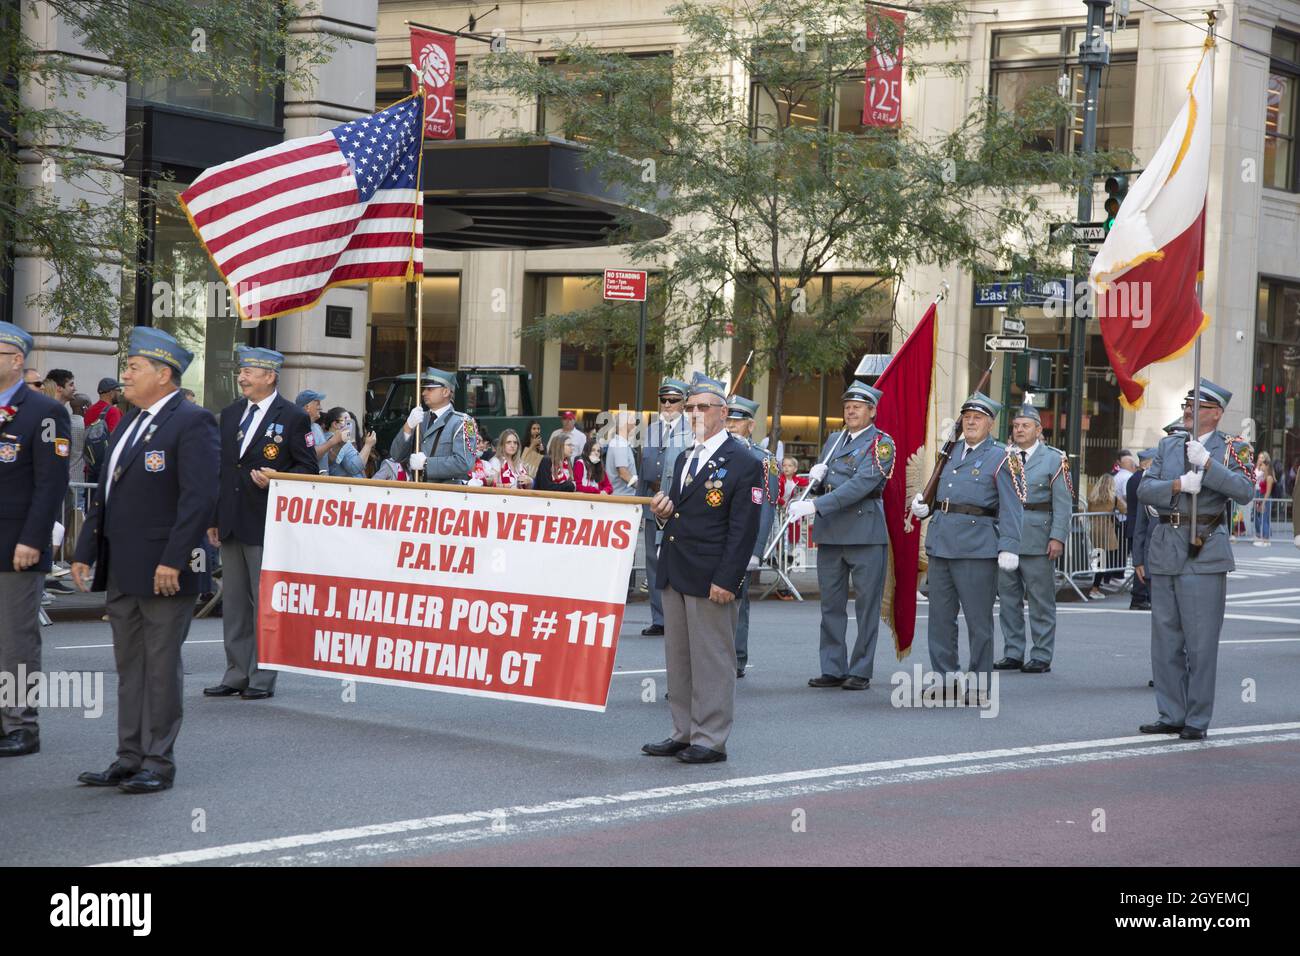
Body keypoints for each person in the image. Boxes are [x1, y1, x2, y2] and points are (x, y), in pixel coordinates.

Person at [70, 328, 219, 792]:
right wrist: (85, 550)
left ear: (164, 374)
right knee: (130, 666)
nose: (125, 375)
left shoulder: (192, 420)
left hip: (165, 570)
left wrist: (175, 559)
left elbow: (198, 497)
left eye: (134, 367)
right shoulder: (130, 421)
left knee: (159, 665)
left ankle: (158, 760)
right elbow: (108, 494)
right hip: (123, 565)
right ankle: (128, 756)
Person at [643, 373, 763, 763]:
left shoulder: (744, 461)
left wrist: (728, 578)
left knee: (712, 660)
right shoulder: (683, 458)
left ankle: (710, 738)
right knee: (679, 660)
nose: (693, 413)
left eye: (702, 407)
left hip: (712, 575)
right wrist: (662, 515)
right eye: (689, 407)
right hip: (676, 569)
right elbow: (677, 515)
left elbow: (743, 528)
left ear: (723, 413)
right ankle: (684, 731)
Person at [1138, 378, 1255, 740]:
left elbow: (1245, 491)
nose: (1187, 411)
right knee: (1166, 638)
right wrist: (1176, 486)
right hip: (1166, 544)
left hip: (1204, 546)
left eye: (1196, 407)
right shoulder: (1169, 444)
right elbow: (1144, 489)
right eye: (1187, 406)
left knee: (1201, 642)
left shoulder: (1234, 449)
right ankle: (1171, 712)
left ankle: (1196, 718)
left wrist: (1209, 466)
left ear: (1215, 414)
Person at [205, 346, 317, 702]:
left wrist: (279, 477)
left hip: (268, 520)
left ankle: (262, 676)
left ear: (270, 376)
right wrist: (214, 517)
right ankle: (236, 672)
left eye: (249, 371)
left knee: (264, 602)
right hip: (232, 520)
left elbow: (309, 468)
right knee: (235, 604)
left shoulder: (294, 416)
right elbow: (221, 470)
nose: (242, 377)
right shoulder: (231, 414)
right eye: (242, 371)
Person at [910, 392, 1023, 700]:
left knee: (978, 621)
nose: (972, 422)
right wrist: (926, 507)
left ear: (991, 423)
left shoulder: (1002, 456)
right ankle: (945, 679)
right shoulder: (949, 452)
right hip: (942, 543)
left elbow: (1012, 506)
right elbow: (942, 493)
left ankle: (978, 683)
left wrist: (1009, 546)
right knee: (940, 620)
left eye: (978, 418)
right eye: (967, 417)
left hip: (977, 547)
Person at [787, 382, 893, 690]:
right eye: (847, 406)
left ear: (872, 411)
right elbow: (829, 483)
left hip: (864, 532)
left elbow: (861, 485)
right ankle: (833, 667)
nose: (851, 410)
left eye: (858, 406)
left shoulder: (882, 443)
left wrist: (815, 504)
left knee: (865, 606)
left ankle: (860, 669)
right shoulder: (834, 440)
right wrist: (814, 481)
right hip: (832, 532)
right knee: (831, 605)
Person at [0, 321, 71, 758]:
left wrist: (33, 538)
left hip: (17, 543)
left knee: (16, 638)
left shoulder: (43, 411)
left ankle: (20, 724)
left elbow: (51, 484)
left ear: (15, 359)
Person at [993, 405, 1072, 674]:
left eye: (1025, 426)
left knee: (1040, 599)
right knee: (1008, 598)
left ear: (1039, 430)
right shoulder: (1004, 457)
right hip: (1007, 537)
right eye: (1016, 426)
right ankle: (1013, 651)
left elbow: (1063, 503)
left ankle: (1041, 654)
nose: (1019, 430)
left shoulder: (1054, 459)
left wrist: (1057, 537)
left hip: (1038, 536)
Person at [724, 395, 779, 679]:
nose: (731, 426)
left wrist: (756, 549)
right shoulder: (712, 453)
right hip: (712, 541)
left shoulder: (763, 460)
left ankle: (736, 658)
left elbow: (767, 507)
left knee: (736, 602)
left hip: (740, 544)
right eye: (728, 419)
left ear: (751, 425)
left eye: (737, 420)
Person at [636, 376, 692, 636]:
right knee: (652, 561)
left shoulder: (692, 431)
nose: (668, 405)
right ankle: (659, 618)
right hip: (652, 500)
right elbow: (643, 468)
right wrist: (638, 505)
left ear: (683, 404)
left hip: (677, 503)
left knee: (677, 560)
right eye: (664, 400)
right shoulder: (650, 430)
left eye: (674, 400)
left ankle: (679, 617)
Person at [389, 366, 476, 484]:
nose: (424, 393)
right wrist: (408, 426)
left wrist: (426, 463)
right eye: (424, 389)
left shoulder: (463, 422)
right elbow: (396, 456)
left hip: (445, 493)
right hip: (418, 489)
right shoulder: (419, 418)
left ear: (445, 392)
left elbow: (464, 463)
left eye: (430, 389)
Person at [1087, 472, 1125, 598]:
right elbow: (1125, 509)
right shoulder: (1113, 498)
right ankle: (1095, 588)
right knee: (1105, 560)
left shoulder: (1092, 498)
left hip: (1094, 529)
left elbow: (1089, 511)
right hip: (1107, 530)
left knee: (1099, 557)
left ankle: (1096, 585)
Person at [296, 389, 342, 476]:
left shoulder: (316, 427)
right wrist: (332, 441)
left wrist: (340, 444)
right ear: (307, 407)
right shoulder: (299, 427)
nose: (321, 408)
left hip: (322, 479)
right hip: (310, 482)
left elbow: (328, 458)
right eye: (317, 404)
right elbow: (310, 455)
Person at [321, 406, 376, 478]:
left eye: (350, 422)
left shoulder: (324, 438)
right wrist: (368, 445)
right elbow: (355, 467)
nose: (350, 425)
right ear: (335, 424)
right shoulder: (340, 440)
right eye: (347, 421)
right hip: (348, 486)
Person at [604, 411, 638, 497]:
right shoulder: (620, 444)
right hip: (622, 498)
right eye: (632, 422)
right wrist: (641, 488)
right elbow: (623, 473)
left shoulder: (621, 443)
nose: (635, 425)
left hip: (621, 496)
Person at [1253, 452, 1274, 546]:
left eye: (1262, 465)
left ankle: (1266, 539)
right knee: (1263, 518)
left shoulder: (1269, 477)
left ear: (1266, 466)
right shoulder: (1264, 477)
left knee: (1264, 519)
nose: (1261, 466)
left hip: (1266, 498)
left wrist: (1264, 503)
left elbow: (1268, 492)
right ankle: (1266, 538)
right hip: (1261, 496)